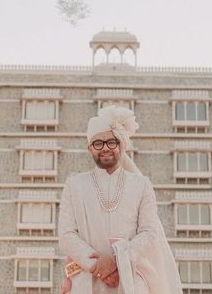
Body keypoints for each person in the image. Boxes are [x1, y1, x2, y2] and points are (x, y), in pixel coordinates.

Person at [58, 104, 183, 293]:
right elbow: (66, 236)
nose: (105, 148)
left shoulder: (142, 185)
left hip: (132, 279)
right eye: (98, 143)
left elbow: (149, 232)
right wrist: (98, 267)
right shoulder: (74, 185)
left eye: (111, 142)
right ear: (90, 148)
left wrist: (118, 262)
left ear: (121, 146)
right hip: (86, 281)